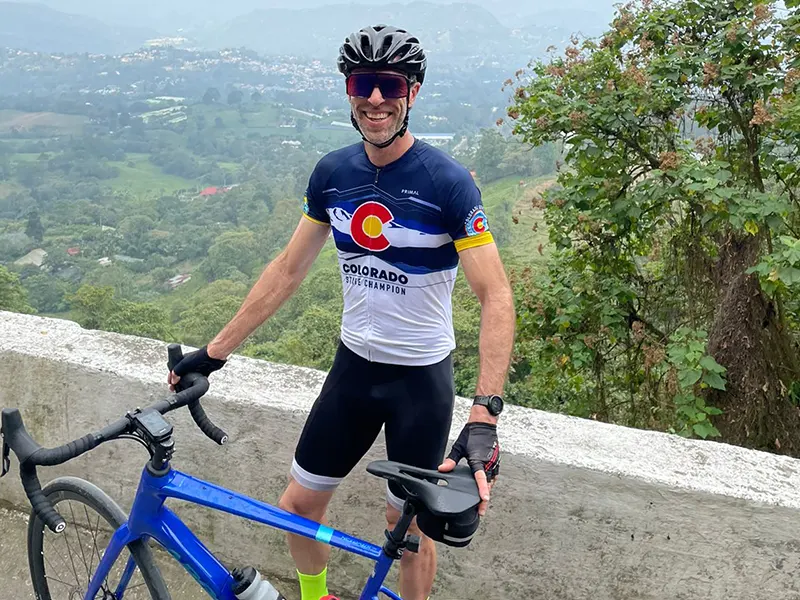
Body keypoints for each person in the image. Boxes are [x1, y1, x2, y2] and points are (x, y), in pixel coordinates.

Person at [168, 24, 515, 600]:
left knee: (407, 531)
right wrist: (215, 352)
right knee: (298, 505)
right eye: (362, 84)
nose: (375, 99)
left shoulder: (447, 184)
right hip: (353, 369)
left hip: (420, 380)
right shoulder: (334, 174)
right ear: (348, 91)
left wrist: (484, 415)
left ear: (412, 93)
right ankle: (316, 596)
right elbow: (288, 270)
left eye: (390, 85)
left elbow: (495, 295)